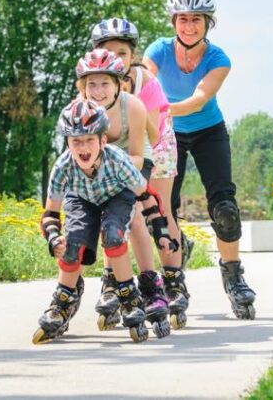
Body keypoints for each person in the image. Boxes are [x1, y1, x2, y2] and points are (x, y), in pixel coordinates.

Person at [142, 0, 256, 320]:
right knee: (163, 211)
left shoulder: (218, 59)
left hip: (208, 130)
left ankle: (234, 276)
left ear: (208, 23)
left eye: (196, 20)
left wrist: (156, 108)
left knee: (224, 207)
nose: (189, 26)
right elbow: (143, 79)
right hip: (168, 133)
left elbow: (197, 100)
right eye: (183, 19)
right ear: (173, 21)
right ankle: (174, 277)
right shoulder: (158, 50)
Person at [32, 99, 177, 344]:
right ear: (67, 143)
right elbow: (50, 215)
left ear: (102, 141)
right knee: (72, 246)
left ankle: (129, 297)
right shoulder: (63, 166)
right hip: (81, 198)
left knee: (113, 235)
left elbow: (147, 198)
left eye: (89, 140)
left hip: (117, 195)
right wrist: (54, 237)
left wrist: (161, 233)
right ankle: (63, 301)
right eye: (76, 141)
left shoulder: (118, 160)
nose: (83, 148)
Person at [91, 18, 191, 329]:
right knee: (116, 210)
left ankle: (173, 282)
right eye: (108, 51)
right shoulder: (95, 83)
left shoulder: (145, 82)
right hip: (116, 147)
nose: (116, 58)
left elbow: (150, 133)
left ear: (132, 55)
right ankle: (112, 281)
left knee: (158, 210)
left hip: (155, 141)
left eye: (122, 52)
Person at [75, 48, 176, 337]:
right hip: (97, 161)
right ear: (82, 87)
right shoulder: (78, 107)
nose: (98, 91)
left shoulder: (131, 106)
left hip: (133, 159)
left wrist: (104, 162)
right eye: (91, 84)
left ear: (120, 84)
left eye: (105, 83)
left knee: (132, 218)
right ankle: (109, 281)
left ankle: (149, 283)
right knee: (98, 219)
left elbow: (136, 153)